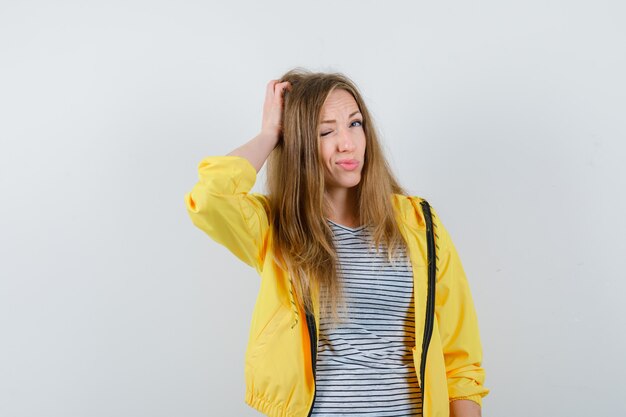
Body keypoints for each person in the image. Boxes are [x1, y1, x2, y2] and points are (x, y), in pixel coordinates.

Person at [184, 68, 489, 417]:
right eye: (326, 131)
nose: (347, 142)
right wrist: (270, 133)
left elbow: (460, 357)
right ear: (298, 143)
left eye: (355, 124)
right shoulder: (278, 227)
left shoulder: (419, 223)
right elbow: (209, 198)